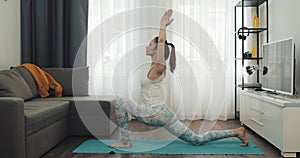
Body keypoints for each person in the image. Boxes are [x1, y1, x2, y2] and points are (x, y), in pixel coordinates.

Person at [109, 9, 248, 148]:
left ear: (158, 49)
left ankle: (125, 141)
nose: (147, 46)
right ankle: (236, 132)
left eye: (150, 44)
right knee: (196, 140)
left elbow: (162, 41)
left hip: (154, 113)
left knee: (119, 102)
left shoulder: (159, 65)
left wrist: (162, 25)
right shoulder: (153, 65)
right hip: (163, 114)